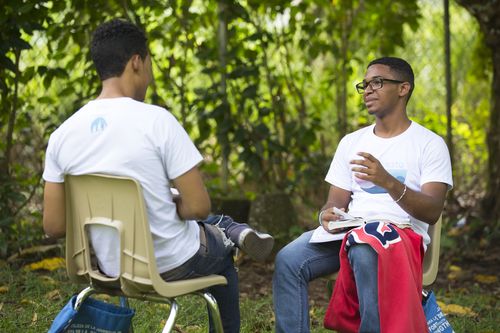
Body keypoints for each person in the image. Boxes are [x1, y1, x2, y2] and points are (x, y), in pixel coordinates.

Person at [42, 19, 274, 333]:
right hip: (171, 263)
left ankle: (228, 229)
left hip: (104, 268)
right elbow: (198, 207)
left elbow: (53, 226)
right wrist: (161, 203)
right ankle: (231, 236)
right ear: (136, 62)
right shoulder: (157, 121)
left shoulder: (62, 134)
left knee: (209, 226)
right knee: (220, 249)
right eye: (150, 63)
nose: (149, 74)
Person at [272, 57, 453, 333]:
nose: (368, 90)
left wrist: (387, 181)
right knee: (289, 259)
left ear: (403, 88)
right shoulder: (352, 142)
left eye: (377, 82)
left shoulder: (429, 144)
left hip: (398, 236)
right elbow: (335, 201)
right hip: (349, 231)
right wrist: (327, 214)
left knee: (365, 248)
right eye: (365, 84)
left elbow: (431, 210)